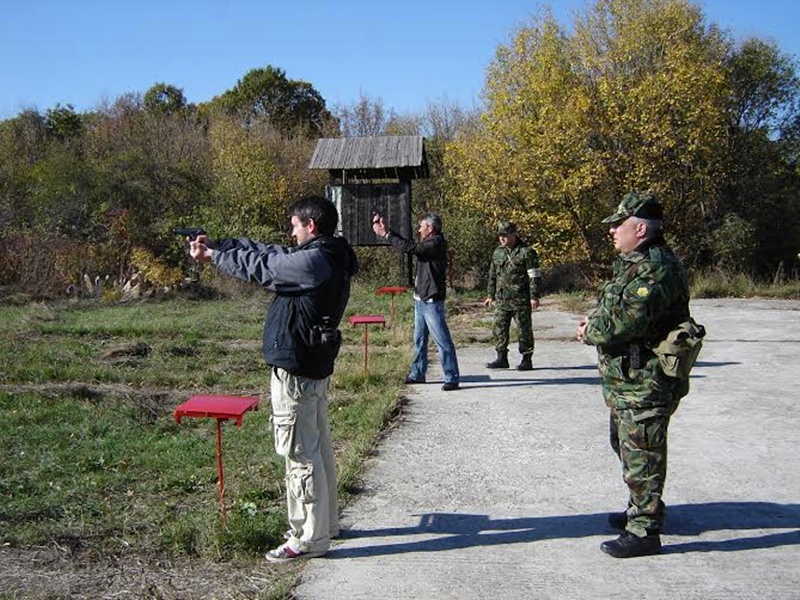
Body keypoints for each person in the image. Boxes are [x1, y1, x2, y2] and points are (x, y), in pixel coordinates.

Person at [189, 196, 359, 563]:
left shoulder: (314, 261)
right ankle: (325, 525)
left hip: (297, 372)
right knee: (319, 450)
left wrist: (214, 258)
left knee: (300, 454)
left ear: (311, 226)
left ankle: (307, 538)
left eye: (295, 225)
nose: (291, 231)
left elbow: (265, 266)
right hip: (310, 366)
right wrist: (221, 244)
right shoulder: (327, 254)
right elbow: (269, 252)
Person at [576, 191, 692, 558]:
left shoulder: (656, 268)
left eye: (618, 225)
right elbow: (615, 311)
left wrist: (589, 331)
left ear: (640, 228)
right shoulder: (633, 263)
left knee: (643, 450)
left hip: (647, 381)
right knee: (627, 445)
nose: (612, 231)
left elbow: (625, 321)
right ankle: (642, 506)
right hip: (628, 381)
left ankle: (645, 530)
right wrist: (595, 321)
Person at [372, 212, 460, 391]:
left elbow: (413, 248)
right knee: (419, 339)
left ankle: (451, 376)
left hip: (432, 301)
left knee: (442, 340)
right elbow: (410, 245)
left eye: (421, 227)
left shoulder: (436, 243)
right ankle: (418, 373)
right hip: (420, 299)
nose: (419, 230)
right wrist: (389, 231)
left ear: (430, 228)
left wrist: (387, 235)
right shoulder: (429, 242)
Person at [483, 221, 542, 371]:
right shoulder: (498, 252)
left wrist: (534, 296)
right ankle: (501, 357)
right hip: (502, 299)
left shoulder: (526, 252)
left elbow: (534, 276)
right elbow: (492, 275)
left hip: (520, 299)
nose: (502, 238)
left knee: (524, 330)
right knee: (499, 328)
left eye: (505, 235)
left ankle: (526, 359)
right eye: (500, 235)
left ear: (514, 234)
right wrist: (490, 295)